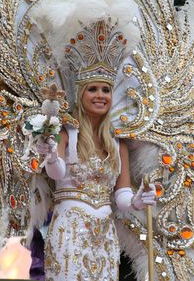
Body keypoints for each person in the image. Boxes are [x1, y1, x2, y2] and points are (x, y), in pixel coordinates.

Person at [36, 76, 156, 280]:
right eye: (93, 89)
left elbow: (122, 195)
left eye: (105, 90)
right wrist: (52, 156)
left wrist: (137, 200)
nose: (100, 95)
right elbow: (56, 173)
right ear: (81, 95)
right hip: (70, 229)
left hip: (104, 235)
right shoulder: (65, 133)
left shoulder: (117, 144)